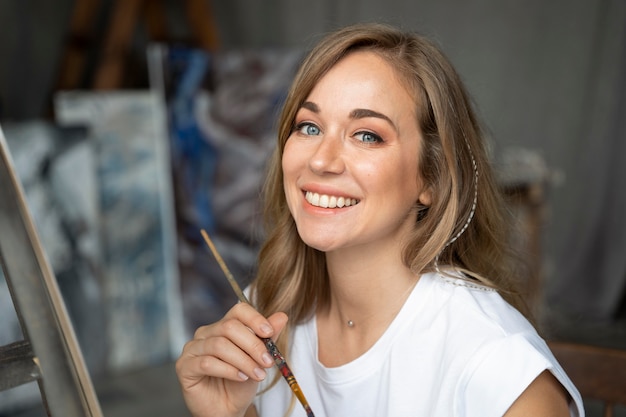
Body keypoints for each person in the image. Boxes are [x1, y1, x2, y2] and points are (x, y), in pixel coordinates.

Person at [175, 23, 584, 417]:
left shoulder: (498, 369)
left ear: (433, 177)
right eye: (309, 126)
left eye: (367, 135)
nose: (320, 159)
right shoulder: (268, 312)